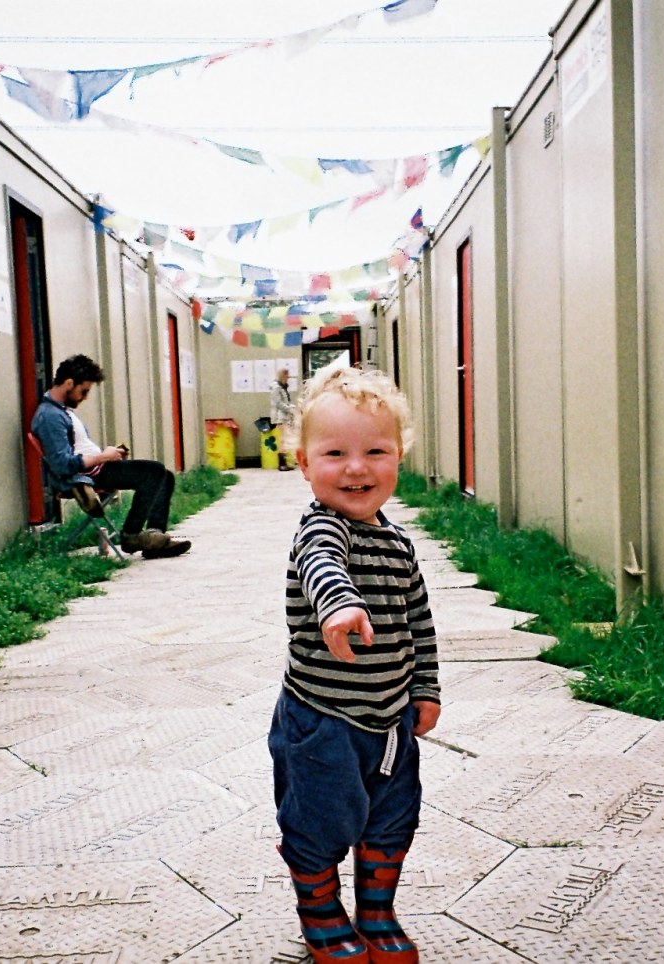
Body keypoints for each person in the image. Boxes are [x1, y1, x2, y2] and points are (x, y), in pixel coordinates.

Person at [267, 363, 438, 964]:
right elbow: (323, 568)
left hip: (390, 721)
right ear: (304, 464)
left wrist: (426, 689)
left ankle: (377, 913)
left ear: (399, 458)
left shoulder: (397, 544)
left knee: (392, 819)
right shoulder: (320, 529)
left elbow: (419, 624)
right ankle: (320, 912)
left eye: (376, 451)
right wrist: (338, 607)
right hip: (323, 719)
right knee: (319, 821)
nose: (357, 468)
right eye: (335, 452)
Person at [30, 354, 190, 559]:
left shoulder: (61, 410)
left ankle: (154, 537)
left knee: (165, 476)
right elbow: (63, 465)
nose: (85, 397)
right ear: (69, 383)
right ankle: (132, 536)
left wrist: (108, 454)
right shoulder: (50, 417)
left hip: (95, 468)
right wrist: (103, 457)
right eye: (83, 391)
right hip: (86, 476)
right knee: (153, 471)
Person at [268, 366, 297, 471]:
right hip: (280, 417)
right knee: (284, 439)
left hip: (284, 416)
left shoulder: (282, 386)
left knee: (284, 439)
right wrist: (290, 409)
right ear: (282, 376)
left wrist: (291, 407)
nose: (288, 378)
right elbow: (278, 403)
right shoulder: (276, 387)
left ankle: (284, 463)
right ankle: (282, 464)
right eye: (286, 376)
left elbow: (285, 402)